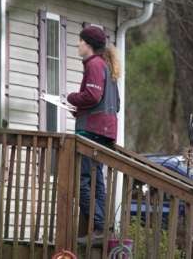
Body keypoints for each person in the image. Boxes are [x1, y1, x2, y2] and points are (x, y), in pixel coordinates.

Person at [66, 25, 120, 244]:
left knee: (82, 182)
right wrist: (81, 110)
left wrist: (71, 97)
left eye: (80, 41)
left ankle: (99, 227)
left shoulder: (95, 64)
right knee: (97, 181)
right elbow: (115, 103)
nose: (78, 45)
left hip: (92, 131)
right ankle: (104, 228)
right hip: (105, 131)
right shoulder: (106, 65)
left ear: (87, 44)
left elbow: (92, 95)